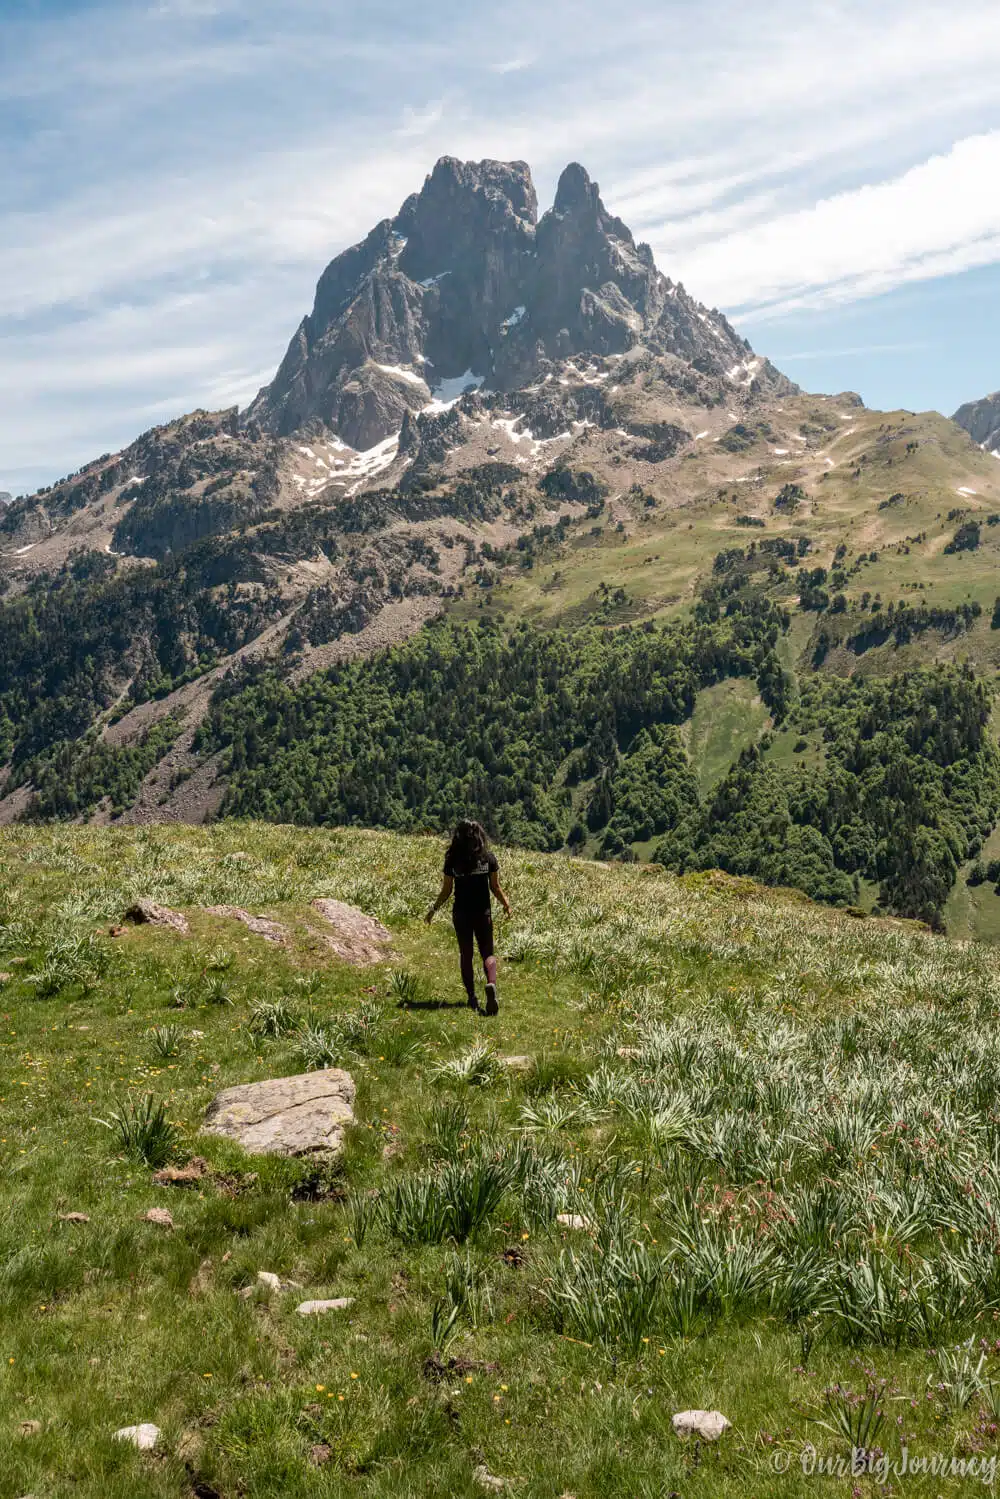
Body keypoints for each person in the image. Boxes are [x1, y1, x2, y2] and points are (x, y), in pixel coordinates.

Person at [425, 819, 511, 1015]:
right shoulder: (488, 858)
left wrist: (433, 910)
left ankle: (472, 998)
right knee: (487, 953)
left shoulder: (452, 860)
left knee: (466, 954)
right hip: (483, 913)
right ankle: (491, 983)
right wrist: (506, 905)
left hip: (461, 914)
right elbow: (495, 887)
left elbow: (446, 890)